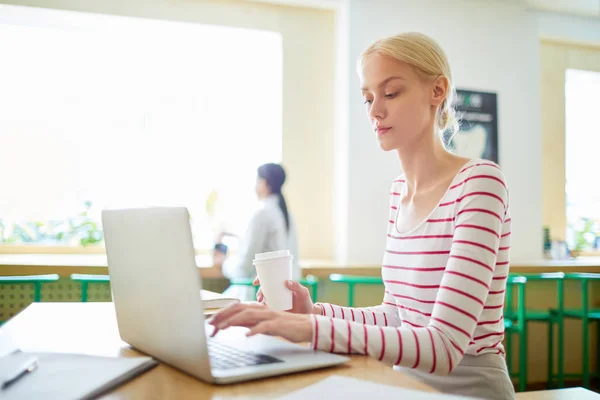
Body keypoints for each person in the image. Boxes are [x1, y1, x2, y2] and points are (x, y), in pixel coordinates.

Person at [209, 32, 514, 399]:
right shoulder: (399, 193)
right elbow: (398, 316)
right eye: (368, 97)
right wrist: (314, 313)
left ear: (437, 91)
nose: (374, 111)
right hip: (405, 387)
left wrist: (311, 330)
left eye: (390, 93)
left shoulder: (480, 183)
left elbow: (444, 346)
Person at [214, 163, 299, 301]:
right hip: (287, 295)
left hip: (259, 294)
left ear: (263, 183)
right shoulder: (287, 215)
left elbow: (243, 268)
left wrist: (223, 264)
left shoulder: (262, 213)